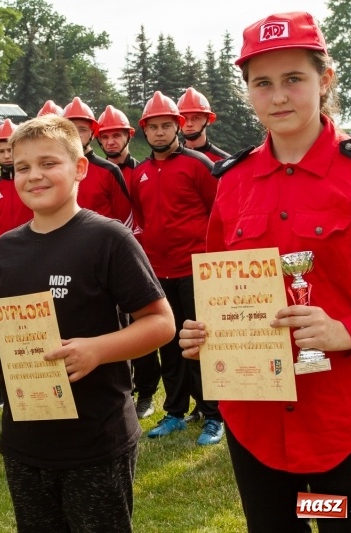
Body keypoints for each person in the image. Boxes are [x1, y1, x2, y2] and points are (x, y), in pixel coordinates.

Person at [179, 12, 351, 531]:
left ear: (324, 80)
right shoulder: (233, 183)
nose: (278, 96)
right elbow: (219, 283)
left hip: (345, 421)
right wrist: (205, 331)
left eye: (293, 79)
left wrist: (344, 330)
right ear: (248, 93)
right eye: (263, 83)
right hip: (254, 418)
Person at [0, 115, 175, 532]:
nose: (34, 176)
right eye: (22, 167)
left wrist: (96, 349)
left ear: (79, 168)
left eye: (49, 163)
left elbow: (160, 323)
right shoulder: (5, 248)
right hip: (25, 440)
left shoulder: (108, 239)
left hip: (95, 438)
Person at [131, 90, 222, 444]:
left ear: (178, 126)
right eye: (152, 127)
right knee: (168, 344)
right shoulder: (138, 173)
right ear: (144, 131)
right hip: (158, 272)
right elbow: (140, 220)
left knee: (202, 342)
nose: (159, 132)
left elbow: (219, 213)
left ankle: (214, 414)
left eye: (166, 125)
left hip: (195, 269)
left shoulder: (199, 164)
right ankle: (174, 412)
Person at [95, 105, 159, 419]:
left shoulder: (143, 171)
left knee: (142, 327)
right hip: (100, 265)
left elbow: (139, 218)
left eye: (116, 135)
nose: (110, 142)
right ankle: (123, 391)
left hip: (140, 260)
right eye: (104, 136)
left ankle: (146, 394)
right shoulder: (92, 172)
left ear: (128, 136)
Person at [62, 97, 135, 232]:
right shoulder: (57, 171)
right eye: (70, 130)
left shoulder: (109, 171)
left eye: (82, 129)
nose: (76, 135)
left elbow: (126, 223)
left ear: (93, 133)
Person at [0, 119, 34, 242]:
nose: (6, 156)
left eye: (10, 150)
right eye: (1, 151)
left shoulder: (35, 182)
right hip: (3, 253)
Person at [177, 87, 230, 162]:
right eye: (184, 118)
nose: (189, 124)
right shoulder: (169, 161)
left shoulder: (225, 162)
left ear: (208, 119)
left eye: (195, 118)